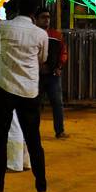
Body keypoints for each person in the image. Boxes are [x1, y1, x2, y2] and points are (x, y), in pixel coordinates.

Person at [0, 0, 48, 192]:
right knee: (34, 140)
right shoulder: (40, 34)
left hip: (4, 88)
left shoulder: (1, 27)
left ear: (18, 8)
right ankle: (41, 189)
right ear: (35, 11)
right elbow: (42, 59)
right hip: (29, 90)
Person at [34, 9, 68, 139]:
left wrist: (59, 66)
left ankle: (59, 130)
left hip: (52, 74)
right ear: (36, 19)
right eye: (43, 17)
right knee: (35, 104)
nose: (46, 20)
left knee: (57, 103)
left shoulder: (56, 35)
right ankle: (33, 131)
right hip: (37, 74)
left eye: (48, 17)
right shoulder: (35, 35)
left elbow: (63, 52)